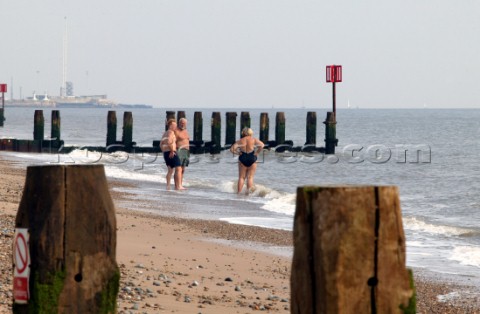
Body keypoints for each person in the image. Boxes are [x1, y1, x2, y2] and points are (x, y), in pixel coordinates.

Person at [230, 127, 264, 194]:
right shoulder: (254, 139)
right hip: (252, 157)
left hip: (243, 157)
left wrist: (238, 153)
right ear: (251, 132)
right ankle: (249, 194)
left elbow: (231, 149)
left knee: (241, 177)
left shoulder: (240, 140)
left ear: (243, 133)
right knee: (250, 177)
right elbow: (262, 145)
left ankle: (239, 193)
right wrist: (257, 152)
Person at [160, 119, 185, 190]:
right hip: (171, 152)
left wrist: (164, 151)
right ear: (170, 126)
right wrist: (171, 151)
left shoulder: (165, 133)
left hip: (166, 153)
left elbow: (161, 144)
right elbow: (169, 142)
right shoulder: (171, 132)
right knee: (179, 168)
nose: (176, 126)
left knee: (170, 170)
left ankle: (168, 186)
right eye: (174, 125)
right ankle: (179, 186)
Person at [174, 118, 190, 187]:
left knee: (183, 169)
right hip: (179, 151)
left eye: (184, 123)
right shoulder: (176, 131)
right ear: (179, 123)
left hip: (186, 152)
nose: (182, 124)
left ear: (186, 124)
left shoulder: (186, 131)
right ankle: (177, 185)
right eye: (181, 122)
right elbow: (173, 142)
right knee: (178, 169)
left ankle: (180, 184)